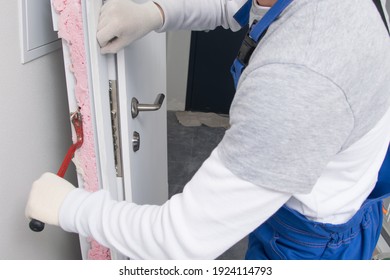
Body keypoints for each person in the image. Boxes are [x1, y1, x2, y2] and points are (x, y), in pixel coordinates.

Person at [25, 0, 390, 259]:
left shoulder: (299, 76)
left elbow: (182, 241)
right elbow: (230, 6)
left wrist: (70, 207)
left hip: (314, 246)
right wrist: (156, 13)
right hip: (350, 195)